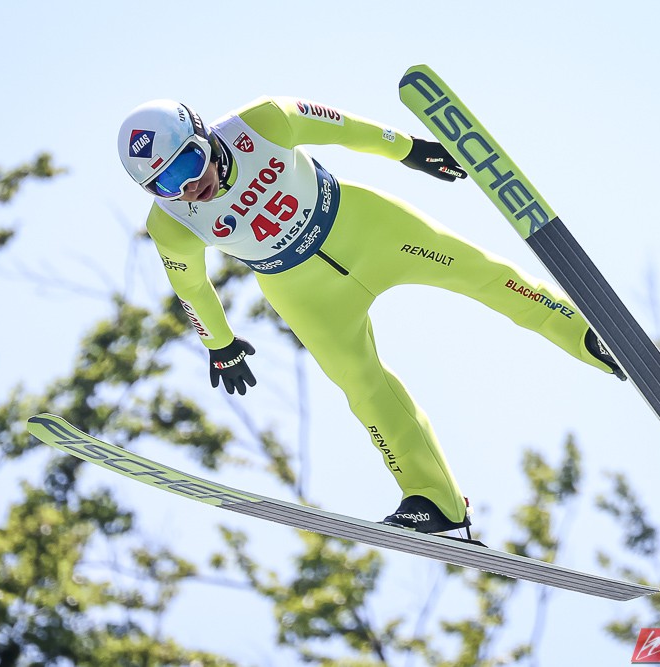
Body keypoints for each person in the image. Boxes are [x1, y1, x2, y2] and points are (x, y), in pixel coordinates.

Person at [117, 96, 624, 535]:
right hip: (303, 291)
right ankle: (435, 500)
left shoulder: (263, 121)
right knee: (363, 387)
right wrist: (219, 344)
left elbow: (345, 128)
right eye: (165, 185)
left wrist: (409, 149)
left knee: (483, 274)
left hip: (369, 228)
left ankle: (588, 334)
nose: (188, 189)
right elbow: (190, 287)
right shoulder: (171, 224)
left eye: (187, 166)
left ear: (203, 135)